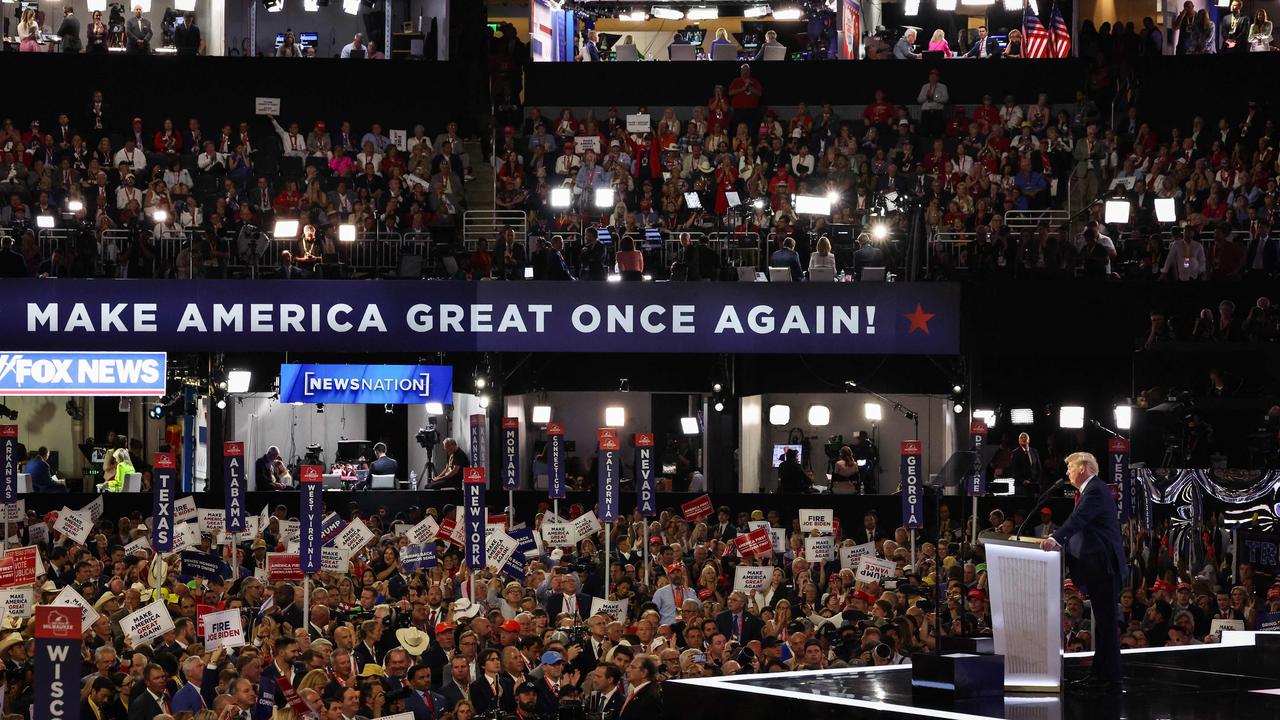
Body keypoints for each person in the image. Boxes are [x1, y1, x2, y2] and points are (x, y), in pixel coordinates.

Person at [1041, 452, 1126, 692]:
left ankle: (1110, 677)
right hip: (1096, 566)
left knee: (1107, 623)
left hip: (1104, 566)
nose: (1067, 473)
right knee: (1103, 623)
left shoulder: (1096, 490)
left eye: (1070, 468)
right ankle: (1101, 674)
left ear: (1083, 468)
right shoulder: (1089, 491)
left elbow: (1078, 519)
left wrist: (1056, 539)